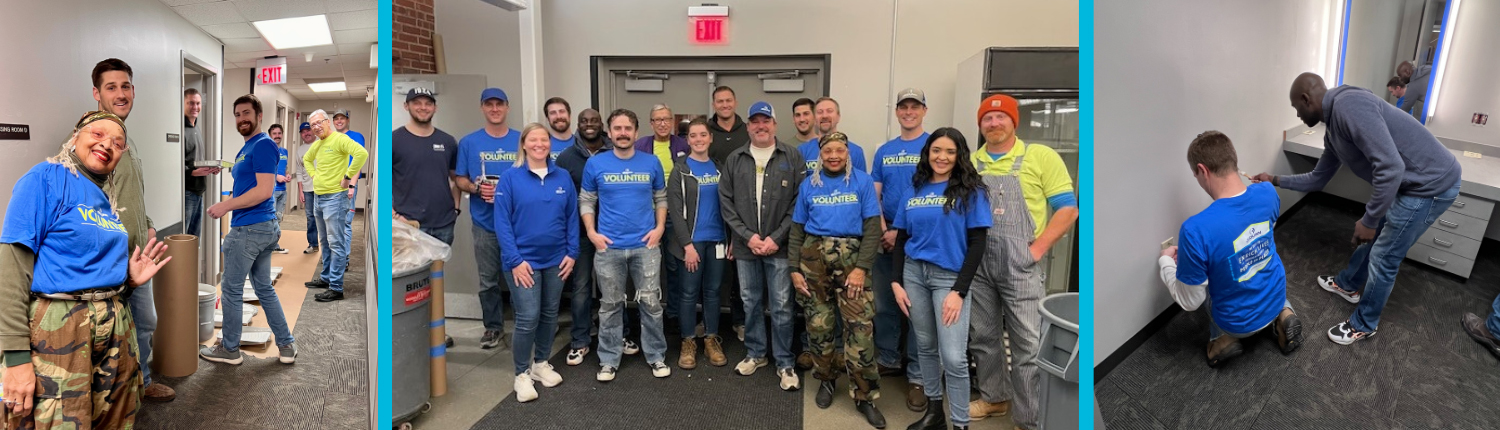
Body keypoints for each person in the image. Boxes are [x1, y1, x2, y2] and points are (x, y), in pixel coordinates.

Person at [1254, 72, 1460, 345]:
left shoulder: (1349, 104)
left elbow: (1391, 167)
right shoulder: (1334, 130)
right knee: (1374, 237)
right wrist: (1276, 179)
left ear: (1306, 99)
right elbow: (1318, 178)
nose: (1298, 116)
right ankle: (1348, 284)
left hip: (1431, 184)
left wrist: (1370, 219)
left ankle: (1364, 324)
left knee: (1384, 256)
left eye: (1296, 109)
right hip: (1411, 183)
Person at [1, 111, 171, 429]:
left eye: (117, 142)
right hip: (59, 327)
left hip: (115, 325)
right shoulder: (44, 178)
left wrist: (129, 281)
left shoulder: (105, 195)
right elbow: (12, 268)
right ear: (75, 136)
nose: (107, 144)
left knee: (115, 419)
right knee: (56, 421)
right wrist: (15, 358)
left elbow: (89, 265)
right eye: (97, 134)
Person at [965, 94, 1078, 428]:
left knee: (1027, 343)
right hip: (979, 264)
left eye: (1001, 118)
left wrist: (1037, 250)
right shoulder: (972, 163)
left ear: (1014, 121)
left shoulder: (1039, 156)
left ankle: (1029, 418)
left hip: (1021, 264)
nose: (994, 123)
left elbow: (1068, 209)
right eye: (987, 118)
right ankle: (994, 399)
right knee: (983, 336)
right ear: (980, 124)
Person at [1159, 130, 1304, 370]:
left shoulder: (1195, 230)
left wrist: (1166, 262)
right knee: (1262, 263)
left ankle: (1223, 339)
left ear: (1203, 171)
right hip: (1276, 294)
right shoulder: (1267, 192)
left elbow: (1189, 301)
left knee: (1209, 288)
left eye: (1195, 174)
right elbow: (1268, 227)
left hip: (1237, 322)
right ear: (1232, 161)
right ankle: (1284, 313)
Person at [891, 127, 991, 430]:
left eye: (950, 151)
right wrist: (896, 282)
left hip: (949, 278)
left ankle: (960, 424)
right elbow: (901, 238)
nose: (942, 157)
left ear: (959, 155)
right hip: (913, 274)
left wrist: (959, 291)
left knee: (954, 356)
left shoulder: (971, 190)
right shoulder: (915, 188)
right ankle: (935, 414)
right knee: (925, 346)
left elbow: (978, 243)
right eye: (936, 150)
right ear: (928, 153)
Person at [88, 58, 176, 403]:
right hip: (114, 259)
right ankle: (117, 398)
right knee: (113, 334)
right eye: (111, 87)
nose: (120, 93)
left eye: (125, 86)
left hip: (139, 255)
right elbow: (85, 202)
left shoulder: (125, 138)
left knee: (145, 323)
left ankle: (142, 381)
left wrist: (149, 222)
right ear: (96, 93)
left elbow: (130, 191)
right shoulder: (91, 138)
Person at [789, 131, 886, 427]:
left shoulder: (862, 181)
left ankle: (864, 396)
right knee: (819, 326)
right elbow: (796, 230)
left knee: (859, 330)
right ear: (821, 154)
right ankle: (826, 379)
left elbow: (872, 229)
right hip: (813, 261)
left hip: (852, 262)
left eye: (839, 150)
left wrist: (861, 268)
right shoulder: (809, 184)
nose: (833, 155)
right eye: (828, 150)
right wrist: (794, 269)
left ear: (847, 153)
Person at [199, 95, 299, 365]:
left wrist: (226, 206)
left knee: (230, 290)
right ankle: (286, 345)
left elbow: (264, 190)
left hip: (249, 229)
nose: (241, 118)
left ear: (259, 116)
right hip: (261, 228)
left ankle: (230, 349)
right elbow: (249, 178)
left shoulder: (264, 144)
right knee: (263, 289)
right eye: (237, 114)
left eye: (246, 113)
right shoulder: (248, 147)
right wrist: (221, 168)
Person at [719, 101, 806, 390]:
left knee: (782, 305)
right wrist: (747, 237)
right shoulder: (735, 159)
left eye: (765, 120)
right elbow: (726, 203)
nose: (760, 126)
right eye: (755, 121)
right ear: (749, 125)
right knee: (751, 302)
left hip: (779, 247)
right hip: (746, 247)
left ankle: (784, 361)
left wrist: (774, 238)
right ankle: (756, 353)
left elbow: (798, 204)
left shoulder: (791, 157)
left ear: (775, 124)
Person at [580, 108, 671, 381]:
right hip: (608, 248)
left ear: (636, 132)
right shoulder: (596, 164)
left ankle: (655, 356)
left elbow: (661, 197)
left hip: (646, 246)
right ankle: (608, 360)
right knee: (609, 305)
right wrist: (592, 233)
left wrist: (660, 228)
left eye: (627, 128)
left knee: (652, 303)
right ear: (609, 132)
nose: (622, 133)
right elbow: (586, 200)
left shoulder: (651, 162)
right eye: (617, 128)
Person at [495, 124, 578, 402]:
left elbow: (571, 217)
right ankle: (521, 374)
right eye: (534, 139)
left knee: (549, 314)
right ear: (524, 144)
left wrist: (572, 252)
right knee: (527, 317)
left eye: (544, 139)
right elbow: (502, 223)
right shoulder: (510, 178)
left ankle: (541, 364)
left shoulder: (562, 177)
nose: (540, 144)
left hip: (556, 260)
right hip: (522, 262)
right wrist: (515, 260)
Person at [871, 88, 930, 411]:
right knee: (884, 305)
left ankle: (918, 376)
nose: (909, 112)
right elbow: (874, 194)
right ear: (896, 112)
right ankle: (889, 358)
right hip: (886, 236)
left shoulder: (934, 145)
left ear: (924, 110)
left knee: (918, 310)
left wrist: (900, 233)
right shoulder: (885, 151)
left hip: (919, 240)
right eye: (903, 107)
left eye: (914, 107)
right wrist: (885, 230)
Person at [455, 88, 520, 350]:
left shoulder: (520, 139)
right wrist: (476, 188)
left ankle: (523, 327)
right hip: (485, 222)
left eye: (499, 104)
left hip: (518, 225)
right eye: (489, 104)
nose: (495, 109)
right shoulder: (469, 143)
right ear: (482, 107)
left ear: (507, 107)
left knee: (520, 277)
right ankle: (493, 327)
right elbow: (459, 179)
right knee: (488, 280)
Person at [666, 118, 729, 369]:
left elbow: (730, 207)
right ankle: (688, 341)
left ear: (710, 138)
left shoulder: (720, 169)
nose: (699, 139)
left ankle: (711, 339)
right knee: (689, 293)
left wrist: (730, 240)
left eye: (703, 135)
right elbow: (675, 210)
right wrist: (687, 246)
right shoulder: (680, 170)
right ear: (688, 139)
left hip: (717, 241)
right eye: (693, 136)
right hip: (691, 244)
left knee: (713, 292)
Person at [556, 108, 610, 366]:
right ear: (577, 125)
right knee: (580, 289)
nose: (589, 125)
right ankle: (580, 340)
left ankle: (618, 335)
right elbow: (561, 199)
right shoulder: (566, 158)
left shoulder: (616, 153)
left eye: (594, 120)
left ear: (602, 124)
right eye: (584, 121)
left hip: (613, 234)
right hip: (578, 234)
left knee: (614, 289)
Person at [302, 109, 369, 302]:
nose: (315, 127)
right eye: (312, 125)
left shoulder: (339, 139)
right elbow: (306, 159)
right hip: (319, 198)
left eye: (318, 123)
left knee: (336, 243)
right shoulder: (318, 143)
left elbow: (361, 153)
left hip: (335, 199)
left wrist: (348, 177)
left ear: (327, 122)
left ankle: (336, 287)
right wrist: (314, 175)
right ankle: (325, 278)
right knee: (324, 241)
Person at [637, 104, 690, 328]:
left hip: (675, 216)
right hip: (646, 215)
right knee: (645, 266)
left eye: (667, 119)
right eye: (657, 119)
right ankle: (647, 314)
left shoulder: (682, 145)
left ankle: (674, 314)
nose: (662, 123)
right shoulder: (640, 146)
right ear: (651, 123)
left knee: (673, 264)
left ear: (673, 122)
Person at [707, 85, 750, 342]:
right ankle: (707, 319)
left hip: (740, 212)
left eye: (728, 100)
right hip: (710, 210)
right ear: (714, 104)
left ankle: (739, 320)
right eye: (720, 101)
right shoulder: (706, 132)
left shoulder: (747, 131)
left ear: (735, 102)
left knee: (738, 268)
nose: (724, 105)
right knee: (710, 267)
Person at [392, 87, 460, 244]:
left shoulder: (448, 141)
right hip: (408, 223)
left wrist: (456, 208)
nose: (423, 107)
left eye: (428, 103)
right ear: (406, 106)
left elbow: (457, 178)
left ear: (435, 108)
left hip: (444, 223)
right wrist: (394, 216)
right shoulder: (394, 140)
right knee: (412, 269)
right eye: (417, 103)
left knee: (438, 269)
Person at [183, 88, 221, 237]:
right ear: (183, 103)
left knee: (194, 238)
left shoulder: (196, 128)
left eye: (198, 103)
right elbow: (176, 164)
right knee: (185, 239)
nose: (195, 107)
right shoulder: (180, 129)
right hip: (187, 192)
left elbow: (194, 160)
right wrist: (192, 172)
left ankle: (193, 261)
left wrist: (210, 168)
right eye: (191, 103)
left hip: (199, 191)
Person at [799, 97, 867, 176]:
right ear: (814, 119)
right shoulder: (802, 151)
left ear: (838, 117)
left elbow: (862, 185)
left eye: (829, 111)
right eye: (820, 112)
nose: (824, 116)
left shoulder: (855, 151)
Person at [296, 122, 320, 254]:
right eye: (303, 131)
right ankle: (313, 244)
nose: (306, 133)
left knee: (324, 218)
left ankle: (328, 248)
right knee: (310, 217)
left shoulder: (321, 144)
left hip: (323, 188)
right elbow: (299, 171)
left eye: (308, 130)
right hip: (307, 189)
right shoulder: (300, 150)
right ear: (301, 134)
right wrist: (301, 191)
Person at [269, 124, 291, 254]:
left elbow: (285, 167)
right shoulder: (268, 150)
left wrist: (287, 174)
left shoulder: (284, 151)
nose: (277, 136)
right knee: (272, 218)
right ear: (270, 135)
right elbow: (265, 169)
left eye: (279, 133)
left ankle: (274, 244)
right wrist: (276, 177)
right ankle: (271, 245)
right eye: (274, 133)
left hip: (283, 190)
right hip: (273, 190)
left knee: (278, 217)